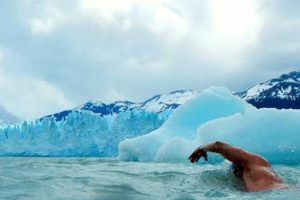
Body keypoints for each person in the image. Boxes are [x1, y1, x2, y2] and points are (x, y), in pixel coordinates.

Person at [188, 141, 288, 192]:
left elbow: (218, 145)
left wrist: (201, 148)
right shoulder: (265, 171)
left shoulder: (254, 164)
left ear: (238, 170)